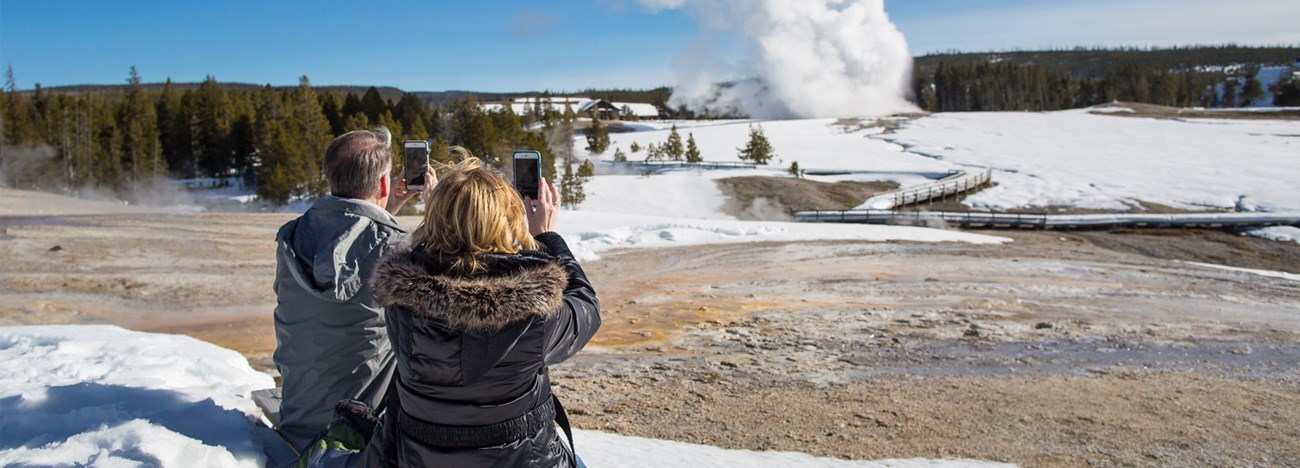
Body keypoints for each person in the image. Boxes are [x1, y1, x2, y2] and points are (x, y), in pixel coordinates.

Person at [361, 158, 600, 467]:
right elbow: (587, 307)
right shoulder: (534, 315)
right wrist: (547, 238)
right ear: (508, 223)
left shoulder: (399, 301)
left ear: (433, 218)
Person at [272, 127, 434, 451]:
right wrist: (435, 205)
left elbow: (349, 245)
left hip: (299, 419)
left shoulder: (291, 237)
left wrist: (388, 208)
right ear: (383, 183)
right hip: (358, 433)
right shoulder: (398, 249)